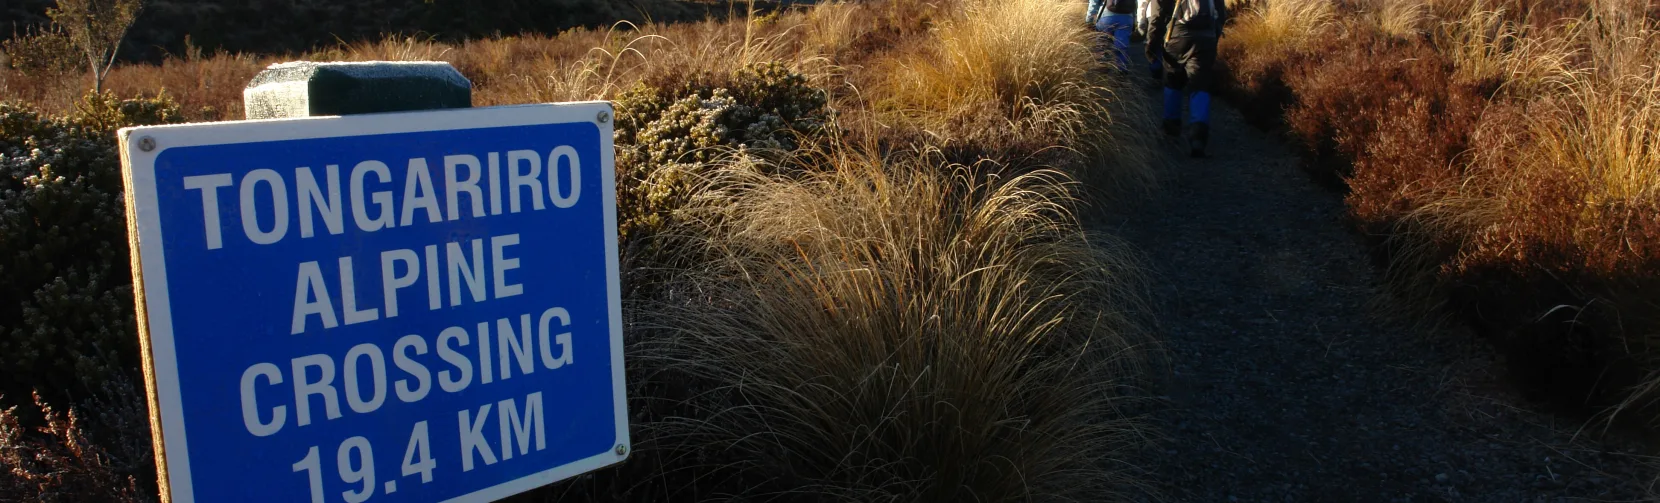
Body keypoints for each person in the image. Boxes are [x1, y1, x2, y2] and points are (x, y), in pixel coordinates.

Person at [1146, 0, 1227, 157]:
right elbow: (1221, 12)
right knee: (1200, 84)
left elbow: (1157, 14)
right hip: (1206, 36)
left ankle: (1171, 129)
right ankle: (1198, 135)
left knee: (1173, 81)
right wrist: (1214, 34)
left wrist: (1151, 43)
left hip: (1176, 35)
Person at [1087, 0, 1137, 72]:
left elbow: (1094, 2)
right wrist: (1135, 20)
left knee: (1102, 44)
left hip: (1106, 16)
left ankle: (1103, 71)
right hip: (1127, 17)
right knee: (1122, 46)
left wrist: (1089, 20)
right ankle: (1121, 72)